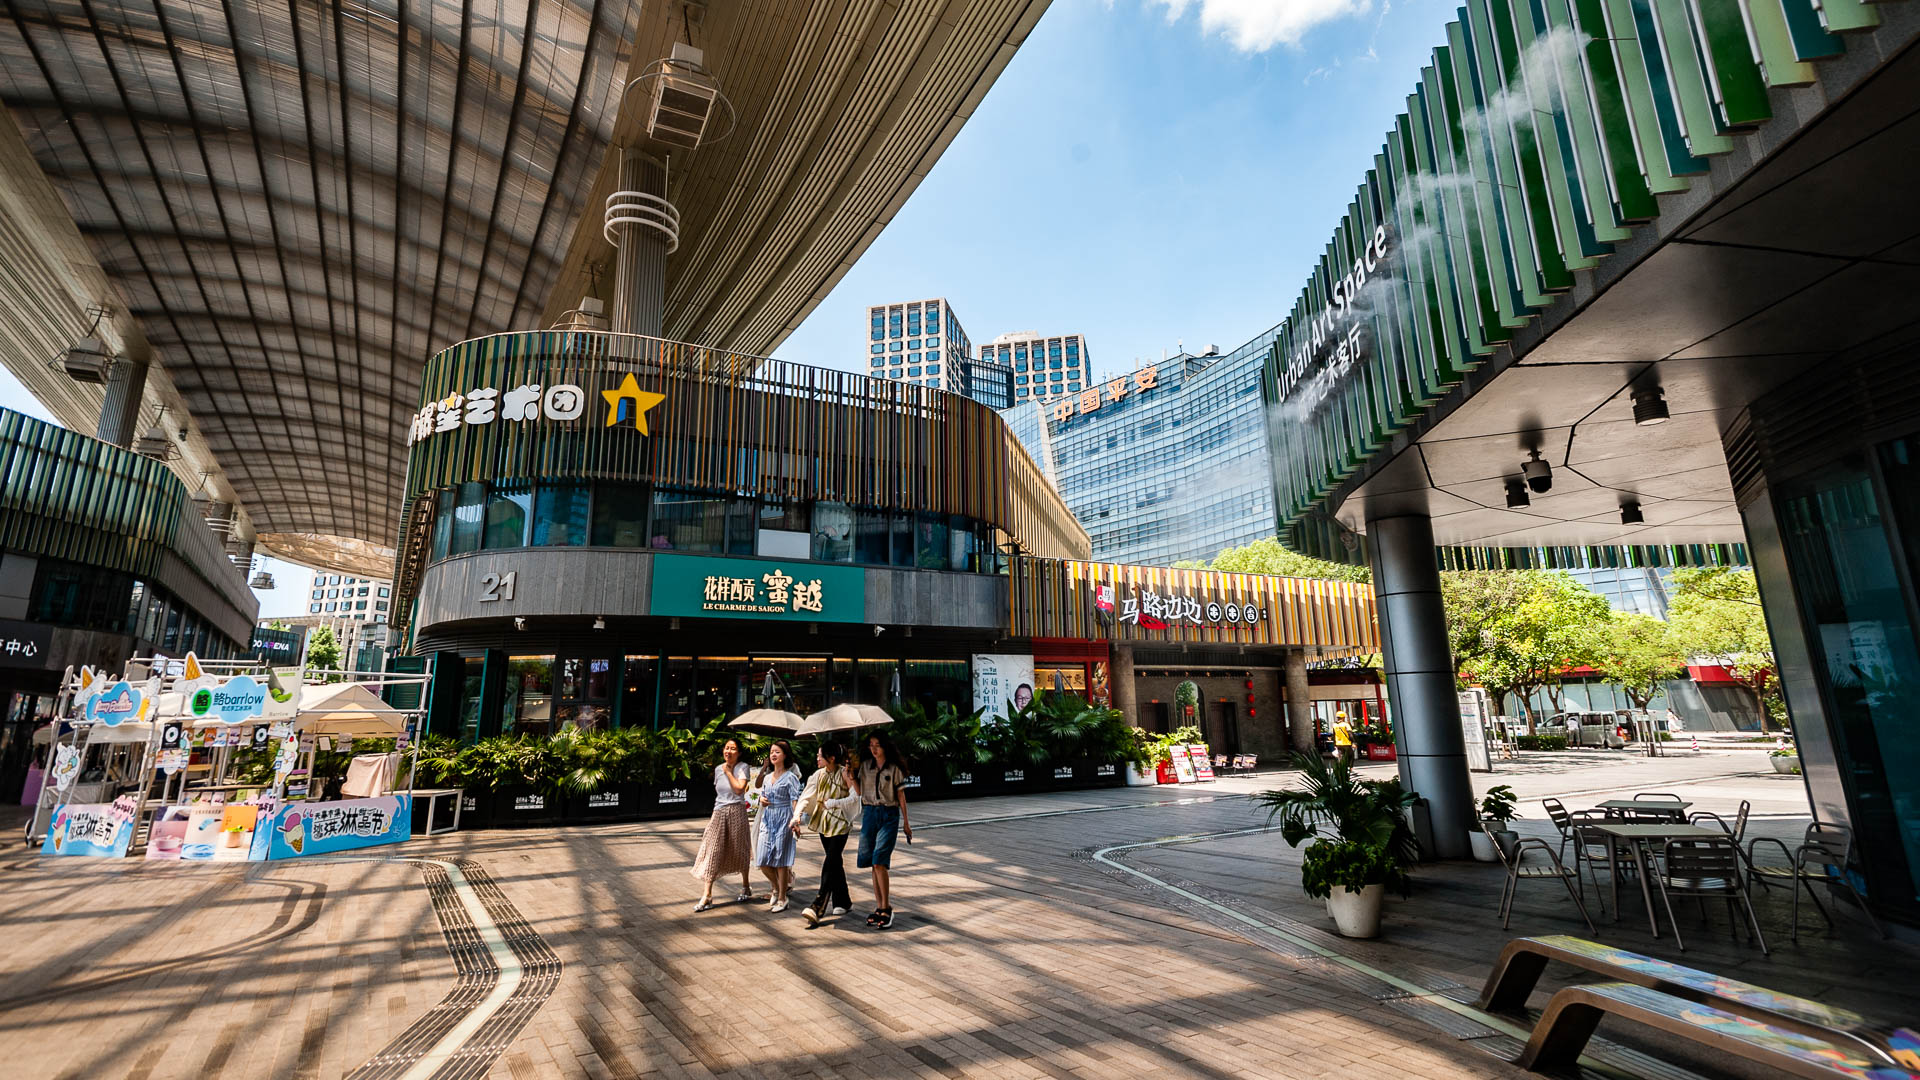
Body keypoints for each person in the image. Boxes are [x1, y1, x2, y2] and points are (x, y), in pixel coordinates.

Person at [792, 742, 862, 927]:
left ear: (831, 758)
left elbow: (856, 797)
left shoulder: (845, 773)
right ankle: (843, 902)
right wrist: (797, 816)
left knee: (830, 860)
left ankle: (818, 905)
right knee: (835, 861)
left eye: (820, 755)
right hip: (824, 824)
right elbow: (806, 796)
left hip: (841, 824)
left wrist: (834, 803)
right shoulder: (817, 775)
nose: (817, 758)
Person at [854, 732, 912, 928]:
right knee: (872, 862)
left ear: (885, 746)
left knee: (879, 859)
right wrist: (849, 776)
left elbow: (901, 797)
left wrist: (906, 822)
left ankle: (886, 908)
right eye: (871, 745)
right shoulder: (865, 767)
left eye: (877, 745)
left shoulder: (894, 769)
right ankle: (879, 907)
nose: (874, 748)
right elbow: (860, 791)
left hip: (888, 814)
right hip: (870, 814)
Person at [691, 738, 755, 912]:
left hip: (737, 812)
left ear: (739, 752)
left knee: (740, 849)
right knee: (713, 850)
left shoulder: (743, 767)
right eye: (726, 748)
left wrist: (728, 772)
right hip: (719, 812)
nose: (728, 751)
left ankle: (746, 885)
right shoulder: (718, 768)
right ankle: (707, 894)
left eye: (733, 749)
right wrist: (724, 770)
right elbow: (719, 793)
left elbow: (739, 789)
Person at [752, 740, 805, 912]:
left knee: (781, 860)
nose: (773, 755)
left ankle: (782, 898)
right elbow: (762, 793)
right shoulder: (767, 778)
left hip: (784, 818)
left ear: (785, 756)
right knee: (761, 858)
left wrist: (796, 820)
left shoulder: (791, 778)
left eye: (777, 752)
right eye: (772, 752)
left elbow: (795, 800)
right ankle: (776, 887)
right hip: (768, 819)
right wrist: (761, 799)